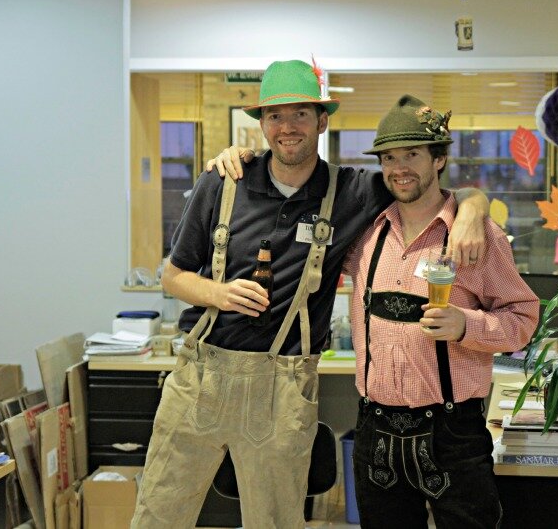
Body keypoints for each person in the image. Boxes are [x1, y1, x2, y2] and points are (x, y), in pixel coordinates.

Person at [132, 59, 490, 529]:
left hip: (283, 386)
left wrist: (471, 210)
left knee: (277, 521)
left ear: (323, 121)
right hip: (201, 374)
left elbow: (428, 184)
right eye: (275, 116)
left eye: (301, 114)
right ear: (261, 125)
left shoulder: (353, 191)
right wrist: (218, 294)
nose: (287, 127)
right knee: (158, 515)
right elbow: (173, 276)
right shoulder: (222, 183)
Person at [341, 95, 539, 528]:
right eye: (390, 157)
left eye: (412, 154)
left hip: (452, 434)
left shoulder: (477, 237)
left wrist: (466, 325)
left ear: (440, 159)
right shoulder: (367, 233)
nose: (399, 168)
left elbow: (524, 318)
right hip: (375, 428)